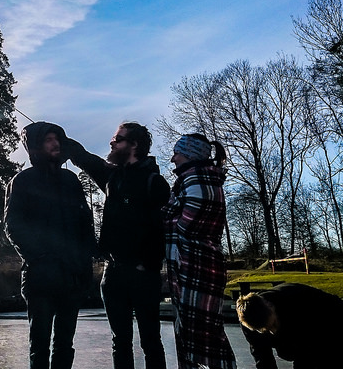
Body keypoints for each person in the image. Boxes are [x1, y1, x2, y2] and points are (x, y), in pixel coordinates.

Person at [63, 122, 170, 369]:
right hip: (113, 275)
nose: (112, 143)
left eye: (118, 139)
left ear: (134, 145)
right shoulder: (113, 177)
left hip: (145, 275)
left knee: (150, 341)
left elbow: (163, 230)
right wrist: (58, 137)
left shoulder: (155, 182)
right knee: (119, 341)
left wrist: (148, 265)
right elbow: (84, 158)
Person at [4, 121, 97, 369]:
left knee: (65, 344)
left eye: (57, 139)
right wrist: (40, 258)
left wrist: (85, 262)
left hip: (73, 276)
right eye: (48, 140)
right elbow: (13, 226)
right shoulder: (22, 181)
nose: (55, 144)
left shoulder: (70, 180)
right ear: (35, 146)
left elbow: (85, 223)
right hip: (41, 278)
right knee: (40, 344)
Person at [162, 133, 236, 369]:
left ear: (189, 154)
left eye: (177, 152)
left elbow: (189, 224)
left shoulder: (198, 179)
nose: (173, 158)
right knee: (193, 332)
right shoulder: (193, 179)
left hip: (197, 267)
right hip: (190, 267)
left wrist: (166, 214)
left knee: (205, 335)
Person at [236, 282, 343, 369]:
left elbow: (306, 352)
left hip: (331, 321)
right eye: (267, 330)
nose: (273, 331)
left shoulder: (294, 302)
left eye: (273, 324)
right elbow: (262, 357)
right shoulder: (248, 321)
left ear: (271, 306)